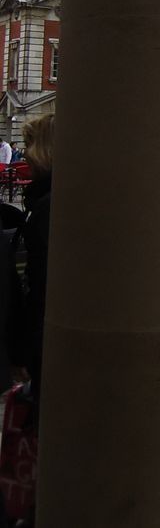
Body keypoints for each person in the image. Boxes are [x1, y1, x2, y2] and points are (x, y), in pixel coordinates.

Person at [7, 114, 55, 405]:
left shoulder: (50, 205)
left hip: (43, 338)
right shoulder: (46, 200)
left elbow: (42, 283)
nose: (25, 153)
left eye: (29, 144)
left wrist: (25, 348)